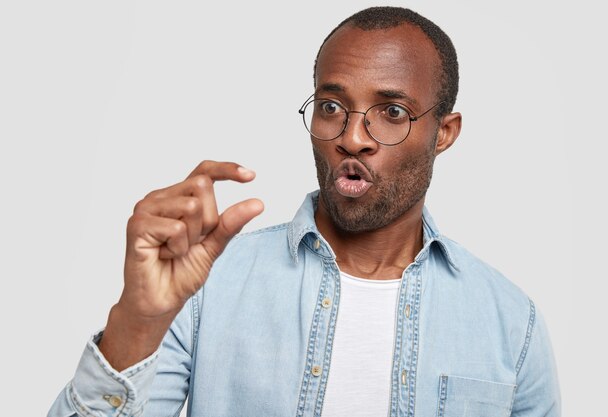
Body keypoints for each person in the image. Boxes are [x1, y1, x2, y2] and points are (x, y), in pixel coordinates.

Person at [48, 6, 560, 417]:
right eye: (332, 106)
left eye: (392, 113)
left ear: (444, 133)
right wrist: (138, 321)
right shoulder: (210, 285)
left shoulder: (511, 324)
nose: (352, 138)